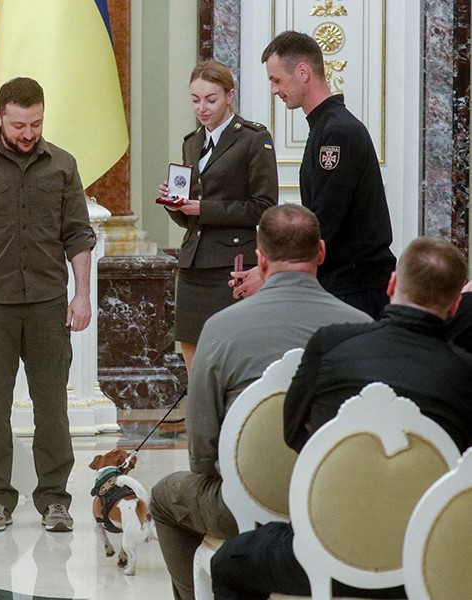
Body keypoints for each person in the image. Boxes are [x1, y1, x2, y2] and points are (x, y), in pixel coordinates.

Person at [211, 236, 472, 599]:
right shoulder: (465, 373)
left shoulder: (330, 344)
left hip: (321, 554)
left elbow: (293, 434)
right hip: (428, 561)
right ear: (457, 303)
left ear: (393, 283)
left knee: (227, 564)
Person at [150, 204, 369, 600]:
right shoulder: (363, 327)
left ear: (261, 259)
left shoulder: (219, 329)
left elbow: (201, 455)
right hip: (336, 511)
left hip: (241, 510)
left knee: (166, 497)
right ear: (321, 252)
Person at [0, 77, 96, 533]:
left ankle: (54, 499)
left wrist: (82, 294)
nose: (28, 133)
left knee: (52, 407)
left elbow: (79, 236)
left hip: (49, 304)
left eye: (36, 124)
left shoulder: (63, 165)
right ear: (0, 118)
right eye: (19, 124)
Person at [233, 31, 396, 319]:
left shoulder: (337, 132)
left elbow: (324, 219)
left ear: (303, 72)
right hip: (344, 285)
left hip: (355, 290)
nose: (273, 90)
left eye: (276, 80)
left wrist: (272, 272)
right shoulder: (327, 127)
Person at [158, 60, 278, 374]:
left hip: (231, 262)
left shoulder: (253, 138)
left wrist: (204, 209)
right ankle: (201, 418)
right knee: (191, 351)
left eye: (211, 99)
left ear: (229, 96)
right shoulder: (192, 142)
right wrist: (175, 206)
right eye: (195, 100)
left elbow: (264, 206)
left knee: (231, 355)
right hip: (193, 262)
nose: (202, 108)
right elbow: (191, 220)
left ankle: (230, 420)